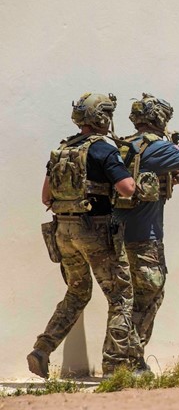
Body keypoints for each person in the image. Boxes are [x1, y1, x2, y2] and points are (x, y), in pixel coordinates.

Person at [28, 92, 137, 378]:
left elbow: (45, 196)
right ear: (101, 117)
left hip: (63, 232)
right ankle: (115, 365)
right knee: (121, 296)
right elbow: (127, 188)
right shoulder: (103, 150)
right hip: (96, 231)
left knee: (77, 292)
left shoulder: (62, 150)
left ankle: (42, 349)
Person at [112, 93, 179, 372]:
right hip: (146, 239)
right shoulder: (157, 147)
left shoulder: (122, 146)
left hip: (115, 235)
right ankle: (131, 360)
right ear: (159, 118)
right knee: (149, 297)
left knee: (124, 299)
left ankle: (119, 359)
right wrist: (172, 152)